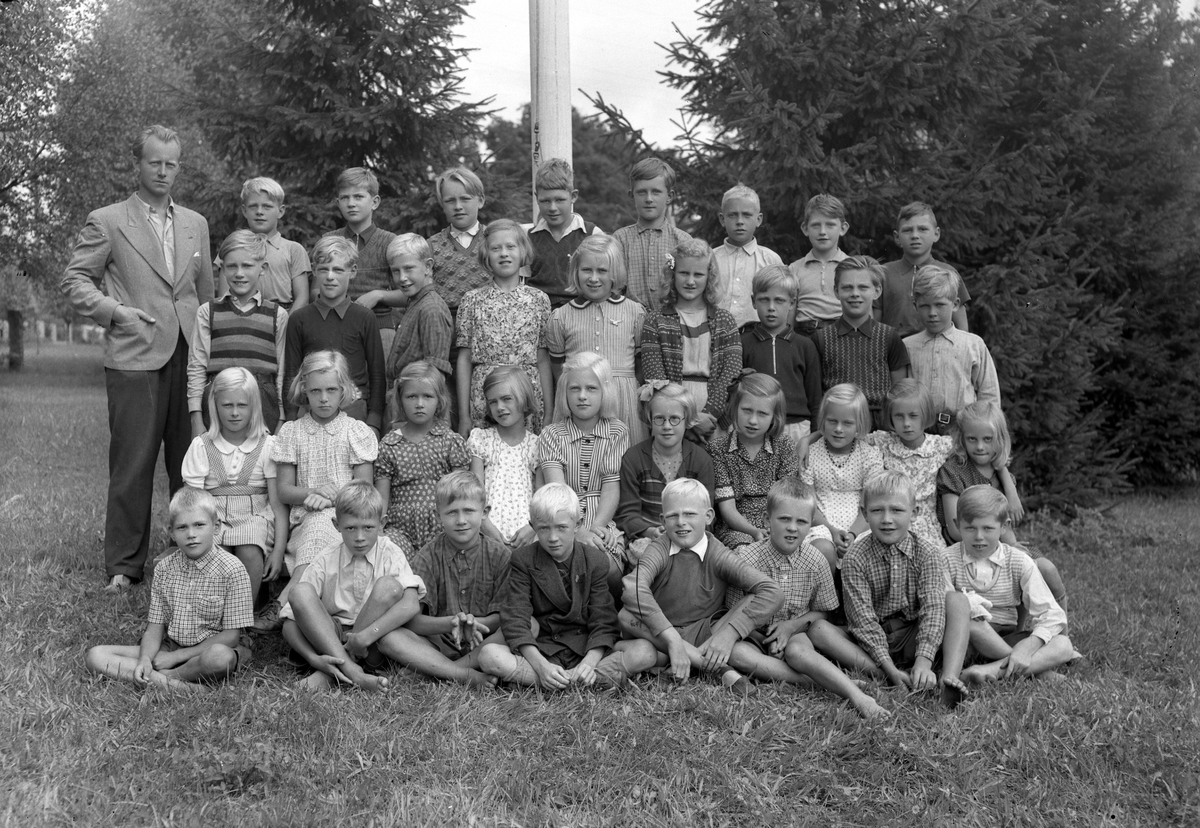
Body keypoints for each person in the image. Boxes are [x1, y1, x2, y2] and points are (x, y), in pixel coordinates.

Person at [61, 124, 214, 590]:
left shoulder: (196, 224)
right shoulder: (107, 220)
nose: (163, 172)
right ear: (139, 164)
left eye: (171, 164)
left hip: (189, 354)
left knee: (192, 463)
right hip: (134, 356)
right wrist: (115, 313)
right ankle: (125, 567)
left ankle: (192, 557)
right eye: (154, 163)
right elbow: (74, 281)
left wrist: (211, 350)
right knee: (132, 465)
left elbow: (206, 294)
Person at [725, 478, 889, 718]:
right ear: (767, 520)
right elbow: (733, 612)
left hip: (796, 631)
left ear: (811, 524)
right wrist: (766, 639)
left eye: (801, 521)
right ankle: (816, 681)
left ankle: (859, 697)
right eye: (784, 519)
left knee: (798, 652)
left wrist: (790, 627)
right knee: (737, 653)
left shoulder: (816, 560)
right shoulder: (746, 558)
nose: (792, 528)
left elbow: (823, 612)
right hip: (753, 634)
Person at [808, 470, 971, 707]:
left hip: (913, 634)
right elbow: (862, 621)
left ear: (914, 512)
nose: (886, 519)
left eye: (896, 510)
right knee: (819, 630)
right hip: (868, 643)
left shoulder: (927, 552)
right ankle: (889, 675)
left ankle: (948, 678)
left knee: (957, 601)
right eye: (877, 510)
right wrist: (889, 668)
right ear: (865, 513)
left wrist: (924, 661)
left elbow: (933, 610)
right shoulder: (855, 556)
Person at [478, 483, 657, 690]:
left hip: (585, 648)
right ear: (533, 526)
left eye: (561, 527)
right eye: (544, 528)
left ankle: (555, 681)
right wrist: (542, 666)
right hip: (543, 649)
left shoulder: (595, 560)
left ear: (577, 524)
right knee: (489, 655)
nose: (553, 538)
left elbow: (603, 619)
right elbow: (516, 618)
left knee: (645, 652)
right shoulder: (522, 559)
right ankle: (574, 680)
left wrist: (589, 662)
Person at [619, 478, 783, 695]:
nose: (681, 522)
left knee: (752, 598)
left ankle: (689, 659)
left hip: (705, 635)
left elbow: (772, 592)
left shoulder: (718, 554)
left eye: (689, 514)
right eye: (672, 516)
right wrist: (673, 640)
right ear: (662, 520)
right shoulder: (659, 548)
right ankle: (713, 667)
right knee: (625, 615)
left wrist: (729, 634)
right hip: (660, 637)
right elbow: (632, 587)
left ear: (708, 516)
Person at [85, 488, 252, 690]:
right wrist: (145, 659)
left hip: (208, 650)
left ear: (216, 526)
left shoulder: (233, 569)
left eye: (199, 525)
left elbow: (231, 636)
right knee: (96, 655)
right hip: (170, 646)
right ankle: (185, 688)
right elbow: (155, 628)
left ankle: (167, 678)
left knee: (220, 658)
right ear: (172, 532)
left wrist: (176, 658)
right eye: (182, 527)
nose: (191, 534)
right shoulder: (164, 568)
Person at [261, 351, 377, 631]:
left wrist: (334, 497)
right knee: (316, 525)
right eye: (315, 391)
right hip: (303, 519)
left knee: (323, 523)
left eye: (331, 390)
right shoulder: (293, 432)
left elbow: (364, 488)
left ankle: (285, 602)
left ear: (344, 390)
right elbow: (285, 491)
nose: (324, 398)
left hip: (346, 518)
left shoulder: (355, 431)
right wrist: (313, 492)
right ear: (304, 390)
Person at [279, 480, 425, 693]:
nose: (359, 538)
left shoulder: (390, 553)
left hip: (373, 641)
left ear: (382, 523)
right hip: (329, 639)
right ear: (336, 525)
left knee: (389, 586)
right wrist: (314, 658)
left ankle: (336, 673)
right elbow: (290, 623)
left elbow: (411, 605)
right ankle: (352, 671)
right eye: (350, 528)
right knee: (299, 592)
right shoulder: (326, 558)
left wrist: (366, 636)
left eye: (368, 528)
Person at [386, 472, 511, 689]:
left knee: (527, 624)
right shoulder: (426, 557)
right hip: (439, 644)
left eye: (469, 511)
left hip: (485, 643)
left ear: (485, 512)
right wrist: (452, 622)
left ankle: (443, 671)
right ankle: (462, 674)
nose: (461, 520)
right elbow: (412, 620)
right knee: (390, 636)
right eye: (452, 512)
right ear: (438, 516)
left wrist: (474, 624)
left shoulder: (501, 556)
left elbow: (505, 616)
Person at [935, 402, 1067, 606]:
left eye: (987, 439)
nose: (980, 446)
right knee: (1018, 570)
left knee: (1046, 569)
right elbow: (954, 529)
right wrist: (1004, 545)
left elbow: (1005, 523)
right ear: (962, 438)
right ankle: (1014, 623)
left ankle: (1061, 620)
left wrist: (1012, 546)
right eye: (972, 439)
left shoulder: (1002, 477)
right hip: (967, 547)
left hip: (1003, 545)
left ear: (1000, 440)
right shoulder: (953, 472)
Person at [944, 486, 1078, 685]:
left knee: (1063, 644)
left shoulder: (1018, 561)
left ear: (1004, 526)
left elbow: (1053, 615)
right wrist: (1018, 653)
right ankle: (1033, 671)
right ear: (957, 525)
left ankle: (987, 670)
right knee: (969, 618)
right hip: (967, 642)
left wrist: (1028, 646)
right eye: (970, 528)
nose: (979, 536)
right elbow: (943, 606)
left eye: (988, 528)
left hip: (1008, 636)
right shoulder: (946, 559)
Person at [181, 367, 288, 605]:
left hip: (256, 516)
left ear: (255, 407)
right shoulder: (201, 446)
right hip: (213, 514)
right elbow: (192, 504)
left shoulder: (268, 445)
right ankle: (213, 613)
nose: (235, 413)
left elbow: (278, 506)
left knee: (249, 545)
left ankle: (243, 614)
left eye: (242, 405)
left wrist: (279, 551)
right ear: (215, 406)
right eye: (227, 405)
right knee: (216, 549)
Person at [538, 353, 631, 592]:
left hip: (602, 517)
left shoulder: (616, 432)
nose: (582, 396)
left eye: (591, 388)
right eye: (574, 389)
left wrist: (595, 528)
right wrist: (576, 531)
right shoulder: (552, 435)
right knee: (558, 569)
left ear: (604, 391)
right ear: (564, 392)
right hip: (560, 518)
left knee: (606, 566)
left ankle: (602, 610)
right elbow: (557, 492)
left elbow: (611, 486)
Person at [545, 234, 648, 445]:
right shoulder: (561, 317)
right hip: (578, 400)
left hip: (622, 400)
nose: (593, 278)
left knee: (624, 456)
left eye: (602, 271)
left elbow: (640, 364)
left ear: (615, 273)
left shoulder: (635, 312)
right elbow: (558, 369)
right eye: (587, 270)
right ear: (576, 271)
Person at [456, 219, 554, 434]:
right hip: (485, 396)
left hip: (526, 393)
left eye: (510, 246)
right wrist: (464, 416)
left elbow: (542, 358)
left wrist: (549, 412)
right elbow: (464, 359)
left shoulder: (539, 300)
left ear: (522, 251)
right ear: (486, 255)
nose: (504, 254)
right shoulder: (472, 300)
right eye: (495, 248)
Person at [640, 239, 741, 444]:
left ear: (709, 276)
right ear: (672, 274)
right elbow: (655, 377)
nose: (690, 281)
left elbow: (730, 374)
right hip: (670, 415)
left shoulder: (724, 320)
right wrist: (685, 420)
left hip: (713, 416)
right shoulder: (655, 321)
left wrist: (709, 415)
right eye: (684, 273)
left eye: (698, 274)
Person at [282, 236, 387, 435]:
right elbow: (291, 375)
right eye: (324, 269)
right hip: (311, 411)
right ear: (314, 270)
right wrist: (290, 419)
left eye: (338, 270)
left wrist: (374, 421)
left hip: (355, 411)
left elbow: (377, 375)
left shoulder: (365, 317)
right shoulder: (299, 319)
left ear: (352, 271)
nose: (330, 276)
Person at [187, 230, 288, 434]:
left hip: (263, 406)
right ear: (222, 269)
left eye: (247, 266)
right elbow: (197, 367)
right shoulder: (207, 312)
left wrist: (282, 417)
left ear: (262, 268)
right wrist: (196, 418)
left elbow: (282, 372)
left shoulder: (277, 315)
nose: (239, 273)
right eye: (232, 266)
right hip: (218, 405)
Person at [375, 361, 470, 552]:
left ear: (439, 400)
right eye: (411, 396)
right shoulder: (389, 445)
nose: (419, 404)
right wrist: (378, 529)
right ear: (400, 399)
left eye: (427, 396)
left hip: (442, 527)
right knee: (389, 551)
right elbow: (382, 498)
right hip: (399, 528)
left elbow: (461, 492)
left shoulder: (450, 441)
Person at [616, 382, 716, 562]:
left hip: (690, 536)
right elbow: (627, 515)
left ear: (687, 420)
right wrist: (651, 531)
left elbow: (706, 513)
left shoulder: (701, 460)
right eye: (659, 418)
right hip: (648, 538)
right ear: (649, 420)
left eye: (674, 419)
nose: (667, 426)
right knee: (649, 556)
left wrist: (685, 534)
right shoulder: (634, 459)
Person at [813, 255, 910, 430]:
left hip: (880, 425)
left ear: (877, 291)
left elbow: (899, 392)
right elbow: (816, 394)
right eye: (847, 287)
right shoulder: (821, 338)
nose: (855, 294)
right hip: (837, 425)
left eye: (863, 287)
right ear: (836, 291)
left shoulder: (889, 337)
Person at [740, 264, 823, 463]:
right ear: (753, 301)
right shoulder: (743, 343)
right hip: (756, 425)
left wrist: (814, 437)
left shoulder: (805, 345)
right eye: (764, 299)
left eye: (779, 300)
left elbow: (815, 399)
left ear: (792, 303)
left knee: (794, 478)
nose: (771, 307)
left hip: (797, 428)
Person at [903, 265, 999, 433]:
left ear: (955, 304)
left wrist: (986, 430)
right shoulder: (907, 346)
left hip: (962, 430)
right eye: (925, 306)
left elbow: (989, 395)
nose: (932, 313)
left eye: (939, 305)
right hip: (919, 432)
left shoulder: (973, 345)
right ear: (915, 306)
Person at [710, 373, 801, 548]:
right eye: (746, 410)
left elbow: (787, 499)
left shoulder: (784, 446)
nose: (753, 420)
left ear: (774, 416)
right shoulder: (718, 449)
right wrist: (754, 531)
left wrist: (773, 529)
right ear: (735, 408)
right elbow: (727, 509)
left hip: (778, 523)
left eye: (762, 414)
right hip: (736, 528)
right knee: (745, 551)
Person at [801, 384, 885, 572]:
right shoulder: (810, 454)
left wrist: (853, 534)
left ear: (859, 425)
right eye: (832, 421)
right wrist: (831, 531)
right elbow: (808, 505)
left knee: (873, 550)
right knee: (822, 549)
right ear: (823, 419)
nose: (838, 429)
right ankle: (828, 590)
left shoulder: (869, 455)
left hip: (861, 526)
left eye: (847, 423)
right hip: (820, 525)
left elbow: (871, 504)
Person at [863, 379, 954, 547]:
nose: (906, 424)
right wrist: (814, 437)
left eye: (913, 416)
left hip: (926, 527)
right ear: (891, 417)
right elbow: (849, 435)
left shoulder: (941, 446)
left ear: (925, 415)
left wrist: (1005, 480)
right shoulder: (883, 442)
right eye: (899, 416)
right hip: (890, 522)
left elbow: (979, 449)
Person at [323, 167, 400, 354]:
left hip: (380, 328)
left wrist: (378, 295)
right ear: (338, 203)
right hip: (336, 324)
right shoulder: (329, 241)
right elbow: (315, 291)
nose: (351, 203)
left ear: (375, 202)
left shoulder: (390, 242)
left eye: (358, 197)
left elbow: (408, 294)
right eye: (345, 198)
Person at [467, 367, 540, 548]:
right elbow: (475, 492)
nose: (499, 407)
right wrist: (485, 526)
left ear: (524, 400)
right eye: (493, 402)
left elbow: (542, 496)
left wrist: (533, 528)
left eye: (507, 399)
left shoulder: (537, 444)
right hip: (487, 533)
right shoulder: (481, 439)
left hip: (527, 535)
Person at [216, 176, 310, 311]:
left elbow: (302, 298)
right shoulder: (232, 247)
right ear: (244, 211)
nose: (259, 212)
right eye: (253, 206)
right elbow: (223, 296)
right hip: (240, 311)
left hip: (284, 313)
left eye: (267, 206)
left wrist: (286, 322)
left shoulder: (293, 250)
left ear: (281, 211)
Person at [877, 202, 970, 338]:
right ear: (897, 237)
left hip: (939, 346)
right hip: (893, 348)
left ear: (936, 234)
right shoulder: (883, 273)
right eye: (907, 230)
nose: (915, 235)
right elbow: (874, 324)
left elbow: (962, 329)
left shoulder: (948, 273)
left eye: (922, 229)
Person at [612, 158, 694, 309]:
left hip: (673, 318)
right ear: (632, 195)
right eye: (642, 192)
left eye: (656, 192)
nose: (648, 199)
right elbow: (614, 288)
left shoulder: (683, 241)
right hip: (629, 318)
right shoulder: (620, 239)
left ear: (669, 196)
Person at [525, 157, 605, 309]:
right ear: (536, 198)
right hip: (540, 312)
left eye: (560, 200)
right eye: (545, 201)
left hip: (582, 311)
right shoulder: (528, 238)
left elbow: (604, 281)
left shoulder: (592, 234)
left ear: (573, 196)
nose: (552, 208)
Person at [384, 233, 453, 389]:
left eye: (408, 269)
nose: (402, 277)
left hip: (417, 397)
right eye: (396, 271)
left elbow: (435, 372)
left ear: (428, 266)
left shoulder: (431, 309)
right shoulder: (415, 303)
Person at [711, 183, 783, 329]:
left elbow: (781, 301)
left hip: (758, 336)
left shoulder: (771, 260)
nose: (740, 222)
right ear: (722, 219)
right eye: (732, 215)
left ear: (758, 219)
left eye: (747, 215)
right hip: (714, 334)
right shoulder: (710, 258)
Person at [427, 167, 492, 323]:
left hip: (490, 324)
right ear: (442, 205)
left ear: (480, 201)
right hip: (446, 326)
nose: (457, 206)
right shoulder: (431, 246)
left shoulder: (494, 240)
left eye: (465, 199)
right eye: (450, 201)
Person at [788, 194, 850, 338]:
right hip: (805, 337)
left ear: (843, 228)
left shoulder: (852, 267)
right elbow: (789, 315)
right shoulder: (794, 269)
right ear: (805, 228)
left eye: (830, 225)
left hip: (843, 336)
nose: (822, 232)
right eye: (816, 225)